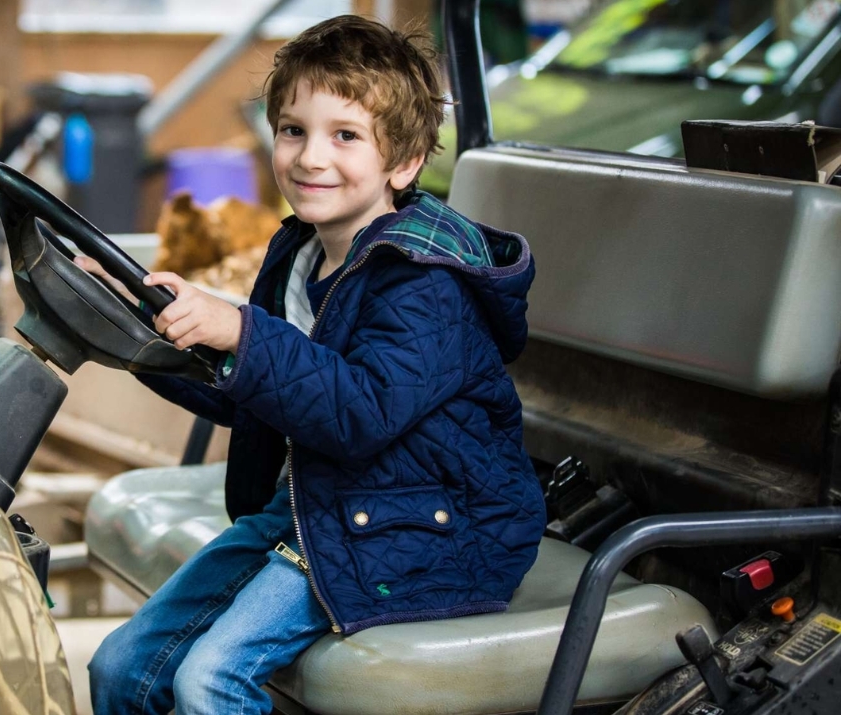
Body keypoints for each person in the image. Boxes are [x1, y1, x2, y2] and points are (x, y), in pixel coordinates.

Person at [78, 14, 545, 715]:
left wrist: (241, 328)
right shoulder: (299, 249)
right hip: (320, 505)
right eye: (293, 130)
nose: (309, 157)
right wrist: (143, 330)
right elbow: (259, 395)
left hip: (428, 526)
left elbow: (359, 411)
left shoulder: (425, 283)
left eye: (345, 136)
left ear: (405, 162)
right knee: (122, 665)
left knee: (209, 679)